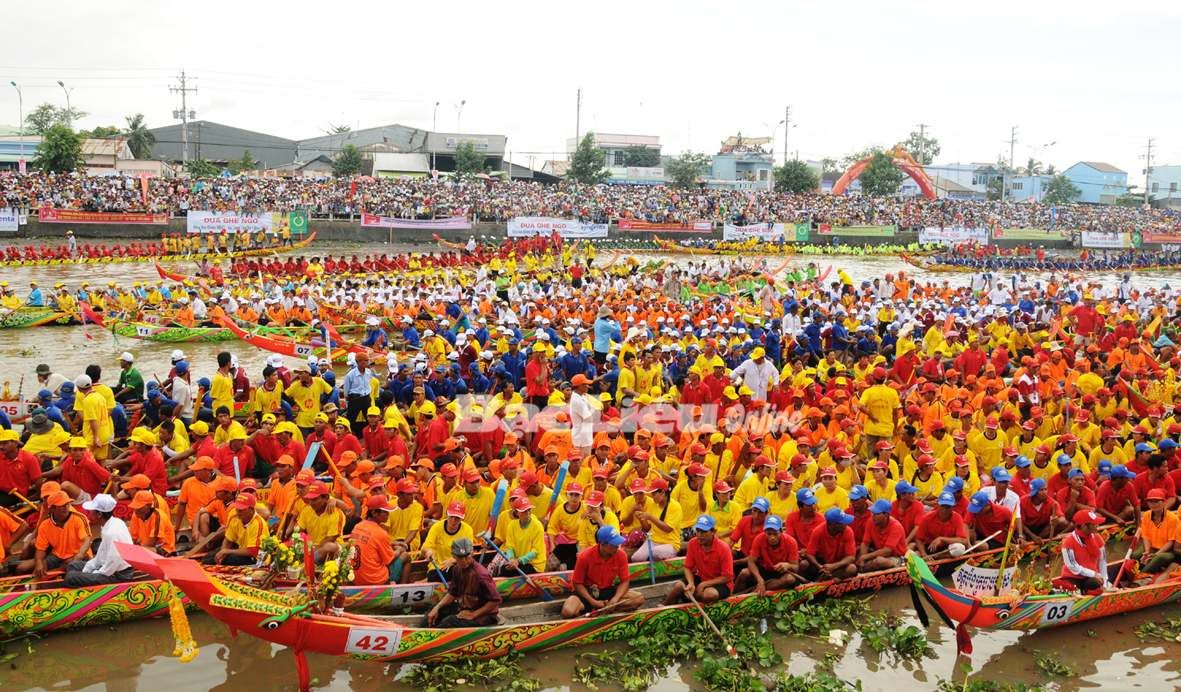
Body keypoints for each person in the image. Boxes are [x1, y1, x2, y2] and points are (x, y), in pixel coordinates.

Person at [561, 525, 645, 618]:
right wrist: (593, 602)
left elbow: (625, 581)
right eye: (614, 544)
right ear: (603, 544)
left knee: (638, 598)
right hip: (587, 591)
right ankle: (594, 611)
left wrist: (615, 600)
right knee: (568, 611)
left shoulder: (621, 555)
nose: (617, 546)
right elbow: (577, 583)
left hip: (607, 590)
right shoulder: (584, 557)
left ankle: (604, 610)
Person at [424, 537, 502, 627]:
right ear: (453, 556)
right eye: (460, 557)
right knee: (433, 610)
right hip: (465, 607)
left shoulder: (481, 575)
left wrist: (473, 614)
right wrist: (437, 607)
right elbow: (453, 593)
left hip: (483, 615)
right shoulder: (457, 569)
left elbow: (495, 600)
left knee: (449, 622)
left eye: (467, 556)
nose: (464, 561)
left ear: (472, 553)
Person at [63, 494, 134, 586]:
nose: (89, 514)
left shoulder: (112, 532)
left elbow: (112, 564)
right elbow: (101, 554)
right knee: (73, 565)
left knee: (71, 577)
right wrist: (87, 569)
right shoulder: (112, 523)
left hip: (118, 575)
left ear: (99, 514)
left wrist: (92, 573)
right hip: (108, 568)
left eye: (91, 512)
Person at [664, 514, 734, 605]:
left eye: (704, 532)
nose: (700, 535)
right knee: (678, 586)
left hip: (721, 583)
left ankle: (690, 600)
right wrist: (691, 583)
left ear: (713, 532)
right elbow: (687, 567)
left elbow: (727, 577)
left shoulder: (723, 548)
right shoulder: (693, 543)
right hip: (702, 578)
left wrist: (703, 585)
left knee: (710, 594)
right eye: (698, 531)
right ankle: (664, 607)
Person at [19, 490, 90, 578]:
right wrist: (39, 563)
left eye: (67, 504)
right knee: (33, 567)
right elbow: (40, 549)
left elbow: (87, 540)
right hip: (57, 555)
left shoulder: (79, 518)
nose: (66, 507)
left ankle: (53, 575)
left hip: (78, 554)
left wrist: (79, 556)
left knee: (68, 565)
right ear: (52, 508)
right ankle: (38, 582)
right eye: (62, 505)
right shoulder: (45, 524)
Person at [1057, 509, 1119, 594]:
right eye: (1094, 524)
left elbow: (1102, 562)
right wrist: (1093, 574)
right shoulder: (1068, 541)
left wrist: (1104, 582)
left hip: (1090, 578)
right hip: (1072, 577)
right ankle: (1082, 592)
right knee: (1068, 589)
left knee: (1096, 584)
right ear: (1084, 526)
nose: (1097, 525)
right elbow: (1072, 565)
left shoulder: (1098, 538)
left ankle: (1088, 591)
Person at [734, 515, 800, 594]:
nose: (772, 537)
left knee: (790, 579)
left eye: (775, 534)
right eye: (769, 534)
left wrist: (787, 565)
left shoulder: (791, 542)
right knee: (744, 573)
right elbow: (751, 561)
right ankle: (733, 596)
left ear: (781, 531)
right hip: (763, 570)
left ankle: (751, 593)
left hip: (780, 573)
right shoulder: (759, 539)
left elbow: (796, 567)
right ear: (764, 532)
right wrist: (760, 579)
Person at [351, 495, 398, 586]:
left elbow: (372, 543)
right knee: (405, 557)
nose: (388, 514)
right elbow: (389, 560)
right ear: (374, 513)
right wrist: (399, 550)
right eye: (385, 512)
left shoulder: (357, 526)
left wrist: (392, 544)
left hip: (355, 578)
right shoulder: (381, 533)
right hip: (374, 580)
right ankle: (399, 586)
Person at [802, 507, 859, 579]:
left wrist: (834, 566)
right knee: (804, 564)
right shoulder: (818, 531)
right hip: (821, 564)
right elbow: (810, 553)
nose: (846, 524)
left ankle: (828, 579)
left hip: (839, 564)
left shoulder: (848, 531)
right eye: (842, 523)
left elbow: (851, 557)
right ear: (832, 525)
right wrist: (819, 566)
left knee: (852, 568)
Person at [1135, 488, 1180, 574]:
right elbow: (1145, 536)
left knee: (1159, 558)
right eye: (1150, 501)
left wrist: (1156, 554)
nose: (1153, 504)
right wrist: (1147, 551)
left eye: (1156, 501)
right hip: (1152, 547)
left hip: (1168, 551)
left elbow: (1171, 542)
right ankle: (1137, 571)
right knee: (1135, 555)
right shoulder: (1146, 515)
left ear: (1163, 502)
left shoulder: (1173, 519)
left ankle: (1141, 575)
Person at [858, 499, 907, 571]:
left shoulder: (896, 526)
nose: (873, 516)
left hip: (897, 557)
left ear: (886, 515)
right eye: (873, 513)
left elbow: (887, 551)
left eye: (876, 514)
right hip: (879, 553)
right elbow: (865, 543)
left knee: (879, 561)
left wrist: (866, 557)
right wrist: (862, 558)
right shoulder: (870, 521)